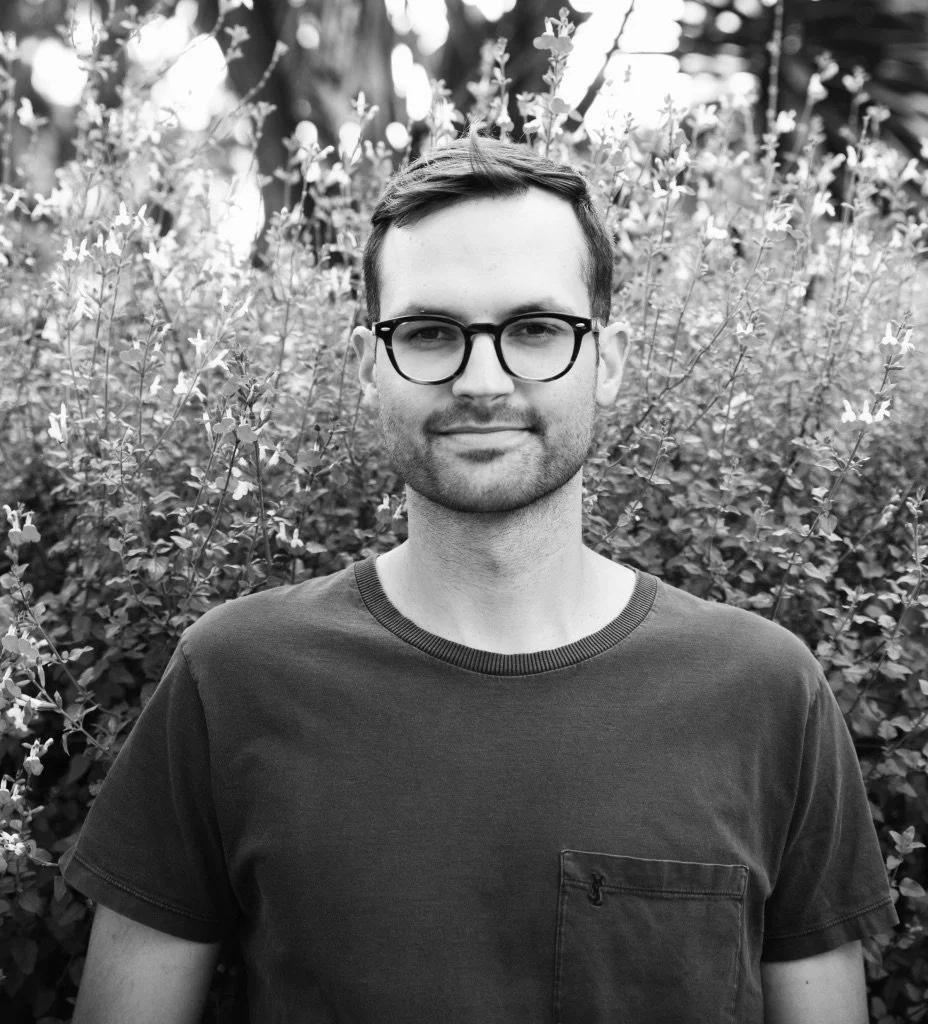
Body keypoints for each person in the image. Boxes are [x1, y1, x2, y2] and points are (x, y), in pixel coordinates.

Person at [62, 132, 897, 1024]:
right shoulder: (233, 677)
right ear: (368, 366)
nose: (483, 380)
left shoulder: (765, 692)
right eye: (430, 333)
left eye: (536, 329)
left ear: (609, 363)